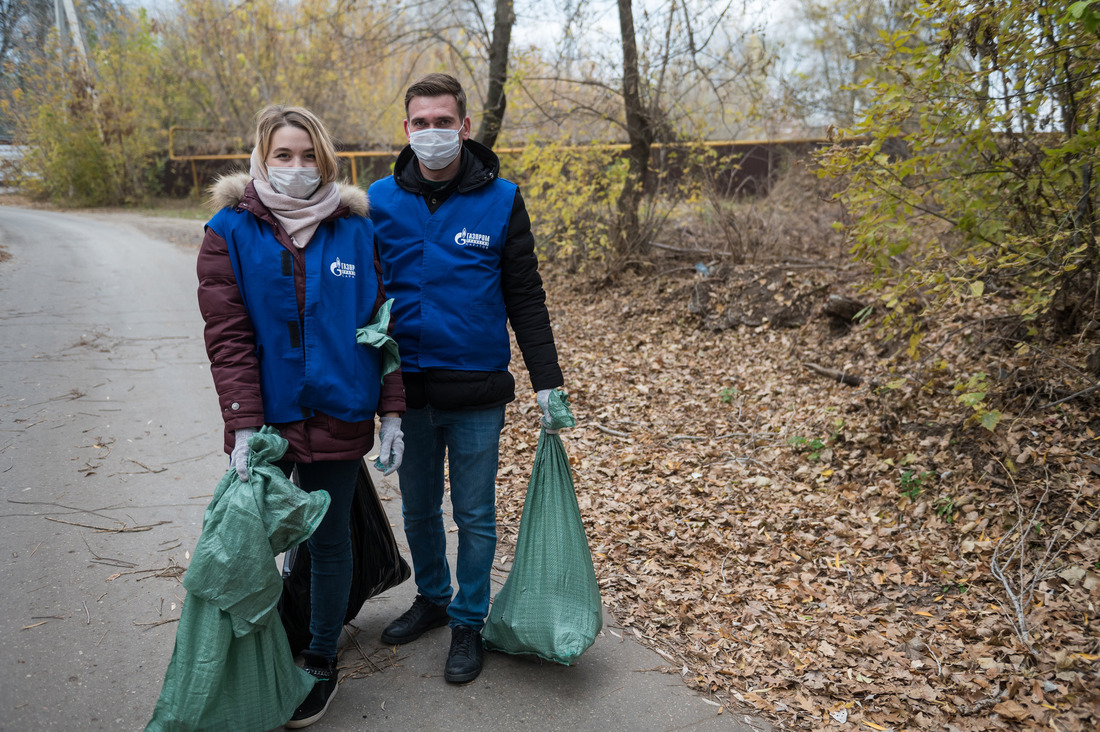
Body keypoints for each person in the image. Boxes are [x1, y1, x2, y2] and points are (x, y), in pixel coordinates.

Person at [197, 104, 406, 728]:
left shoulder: (356, 230)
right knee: (261, 539)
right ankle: (267, 641)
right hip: (266, 423)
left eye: (307, 155)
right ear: (262, 159)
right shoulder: (228, 232)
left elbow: (381, 326)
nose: (295, 167)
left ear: (326, 160)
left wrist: (391, 411)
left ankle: (319, 655)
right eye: (282, 155)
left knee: (329, 536)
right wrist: (241, 423)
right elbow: (228, 337)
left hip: (341, 414)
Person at [368, 73, 564, 684]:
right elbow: (358, 295)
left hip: (477, 392)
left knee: (474, 513)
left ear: (465, 126)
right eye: (420, 122)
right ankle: (432, 596)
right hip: (406, 393)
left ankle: (468, 619)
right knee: (420, 509)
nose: (432, 132)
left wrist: (547, 381)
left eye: (442, 121)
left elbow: (525, 295)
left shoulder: (502, 199)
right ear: (406, 129)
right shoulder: (376, 200)